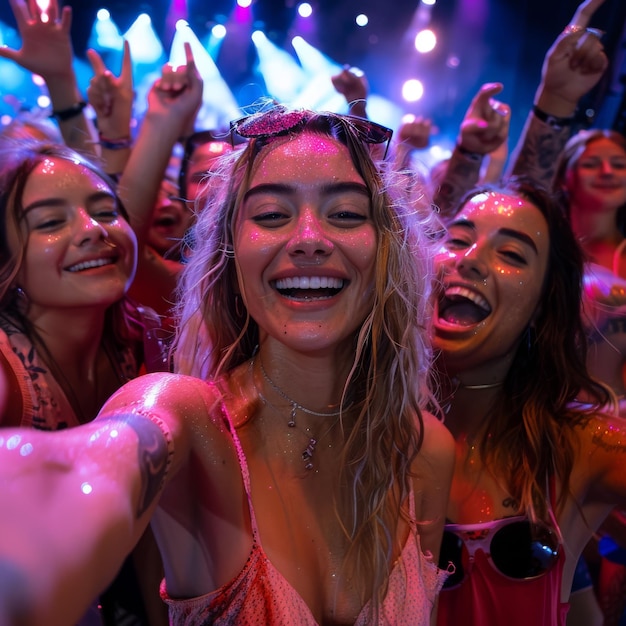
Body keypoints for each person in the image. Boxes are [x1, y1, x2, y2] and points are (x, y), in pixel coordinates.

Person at [0, 105, 455, 625]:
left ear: (386, 250)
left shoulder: (425, 453)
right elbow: (101, 461)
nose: (309, 238)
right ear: (231, 249)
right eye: (270, 215)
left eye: (347, 214)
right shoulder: (192, 420)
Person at [430, 176, 626, 626]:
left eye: (512, 255)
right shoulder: (362, 428)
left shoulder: (578, 447)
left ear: (540, 307)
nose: (471, 259)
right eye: (457, 239)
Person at [0, 139, 168, 625]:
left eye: (105, 211)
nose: (94, 231)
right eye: (51, 222)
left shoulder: (144, 341)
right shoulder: (8, 375)